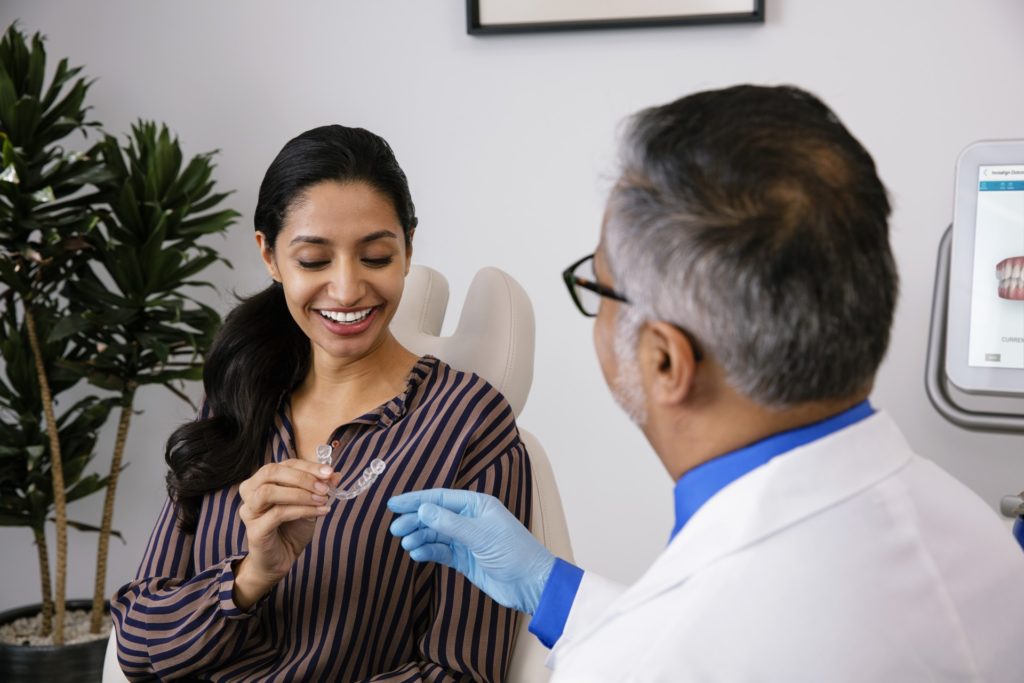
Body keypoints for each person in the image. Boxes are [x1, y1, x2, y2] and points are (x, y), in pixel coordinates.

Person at [388, 85, 1024, 681]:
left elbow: (684, 642)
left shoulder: (646, 660)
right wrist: (549, 588)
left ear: (665, 361)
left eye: (598, 286)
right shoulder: (982, 540)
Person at [111, 125, 532, 681]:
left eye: (376, 257)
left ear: (407, 248)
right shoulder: (240, 392)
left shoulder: (468, 425)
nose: (347, 289)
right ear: (269, 255)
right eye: (313, 261)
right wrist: (249, 578)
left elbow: (460, 671)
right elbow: (138, 648)